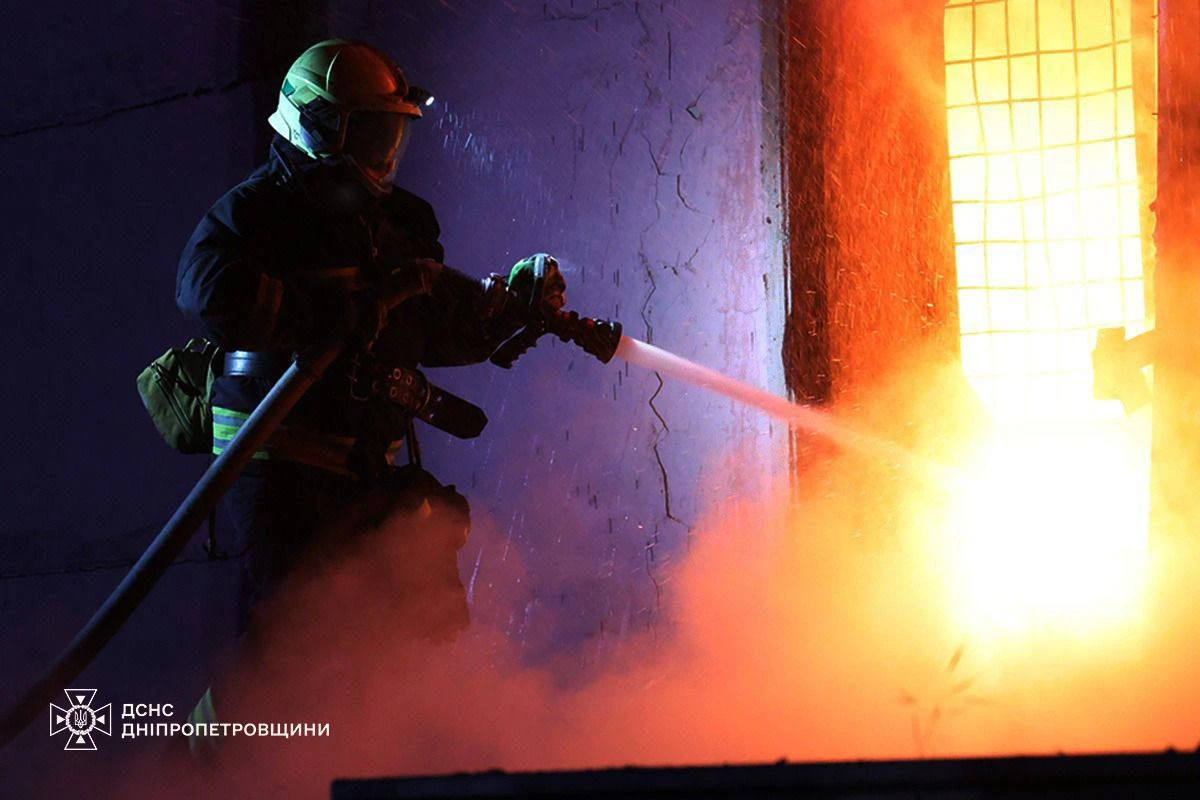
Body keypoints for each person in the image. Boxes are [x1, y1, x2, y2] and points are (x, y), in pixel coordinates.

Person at [174, 39, 565, 739]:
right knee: (292, 652)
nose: (385, 156)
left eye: (393, 136)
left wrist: (506, 314)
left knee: (414, 638)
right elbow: (209, 294)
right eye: (372, 135)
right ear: (319, 126)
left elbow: (430, 333)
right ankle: (208, 765)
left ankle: (374, 766)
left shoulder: (396, 225)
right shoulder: (255, 214)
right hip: (285, 467)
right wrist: (339, 312)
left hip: (372, 466)